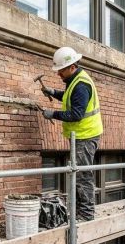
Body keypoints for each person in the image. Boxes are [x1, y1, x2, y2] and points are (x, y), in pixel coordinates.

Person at [41, 47, 104, 222]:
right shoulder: (75, 80)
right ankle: (80, 211)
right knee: (79, 172)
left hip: (86, 135)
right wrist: (54, 93)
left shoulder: (81, 85)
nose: (58, 74)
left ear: (71, 66)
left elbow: (76, 114)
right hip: (82, 135)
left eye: (60, 70)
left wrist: (53, 114)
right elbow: (70, 97)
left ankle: (86, 213)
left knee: (83, 174)